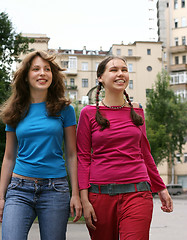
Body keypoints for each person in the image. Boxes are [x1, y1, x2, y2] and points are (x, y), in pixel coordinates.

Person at [77, 56, 173, 240]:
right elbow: (83, 157)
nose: (120, 74)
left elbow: (145, 153)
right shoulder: (88, 113)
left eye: (124, 69)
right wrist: (84, 199)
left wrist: (161, 187)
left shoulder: (136, 111)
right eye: (113, 70)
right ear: (100, 78)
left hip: (137, 194)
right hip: (100, 196)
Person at [0, 50, 82, 240]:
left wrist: (75, 194)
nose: (42, 73)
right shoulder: (15, 111)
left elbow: (71, 154)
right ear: (26, 76)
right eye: (36, 69)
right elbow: (9, 156)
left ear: (53, 75)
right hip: (19, 189)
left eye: (47, 69)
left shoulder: (65, 109)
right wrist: (1, 196)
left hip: (55, 189)